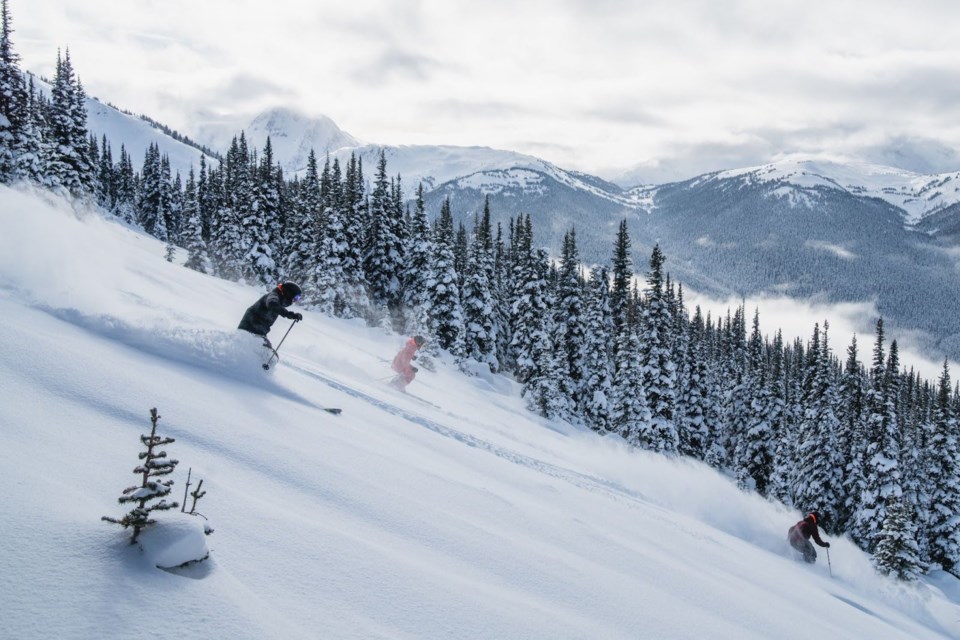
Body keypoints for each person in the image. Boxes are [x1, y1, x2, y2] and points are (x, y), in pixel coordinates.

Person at [238, 281, 303, 348]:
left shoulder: (278, 300)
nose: (294, 301)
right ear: (289, 293)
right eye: (296, 298)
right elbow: (272, 304)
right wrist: (288, 314)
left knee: (268, 352)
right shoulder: (273, 296)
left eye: (297, 299)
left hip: (257, 332)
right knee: (266, 353)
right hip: (249, 330)